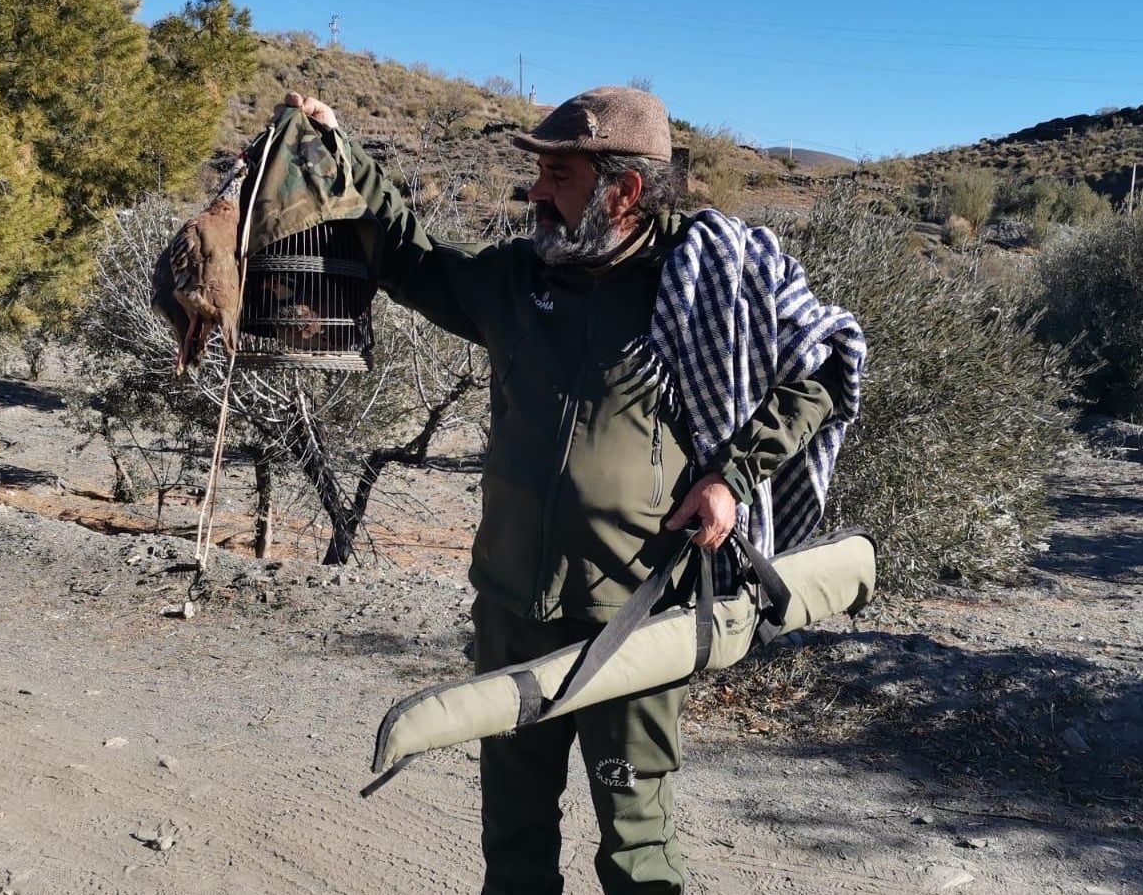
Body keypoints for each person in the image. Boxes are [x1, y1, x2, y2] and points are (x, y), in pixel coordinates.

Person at [283, 87, 842, 895]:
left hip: (636, 614)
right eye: (540, 172)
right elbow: (409, 258)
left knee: (637, 841)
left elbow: (816, 370)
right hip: (514, 606)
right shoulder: (515, 278)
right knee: (515, 834)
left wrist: (733, 474)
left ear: (626, 189)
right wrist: (339, 152)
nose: (535, 190)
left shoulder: (706, 278)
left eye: (559, 174)